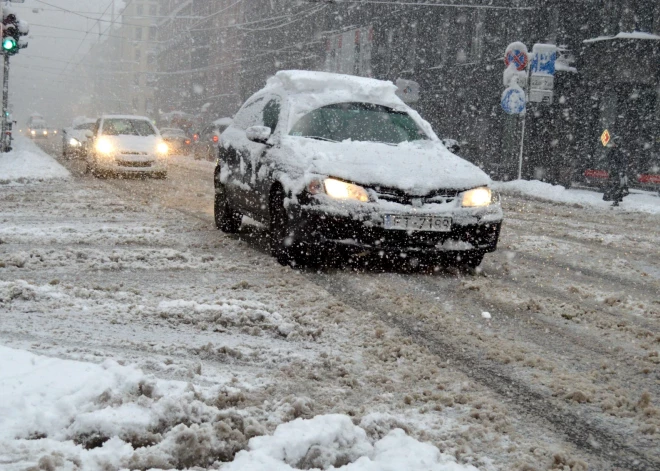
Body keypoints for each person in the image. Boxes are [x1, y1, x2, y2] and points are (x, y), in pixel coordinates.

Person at [602, 135, 629, 206]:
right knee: (614, 186)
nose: (612, 144)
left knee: (616, 187)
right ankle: (615, 199)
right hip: (615, 171)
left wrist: (621, 170)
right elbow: (609, 159)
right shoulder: (614, 151)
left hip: (617, 171)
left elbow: (622, 162)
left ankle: (616, 200)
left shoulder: (619, 152)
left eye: (614, 143)